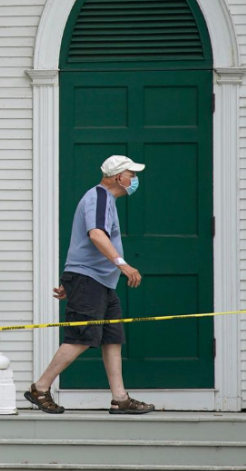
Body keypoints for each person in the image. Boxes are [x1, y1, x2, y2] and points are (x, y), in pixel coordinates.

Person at [25, 155, 155, 415]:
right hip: (90, 279)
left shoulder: (105, 199)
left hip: (98, 281)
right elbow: (95, 234)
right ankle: (40, 388)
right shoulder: (100, 197)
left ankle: (120, 398)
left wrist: (71, 280)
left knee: (112, 338)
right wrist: (123, 264)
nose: (135, 179)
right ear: (119, 177)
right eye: (132, 174)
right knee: (81, 338)